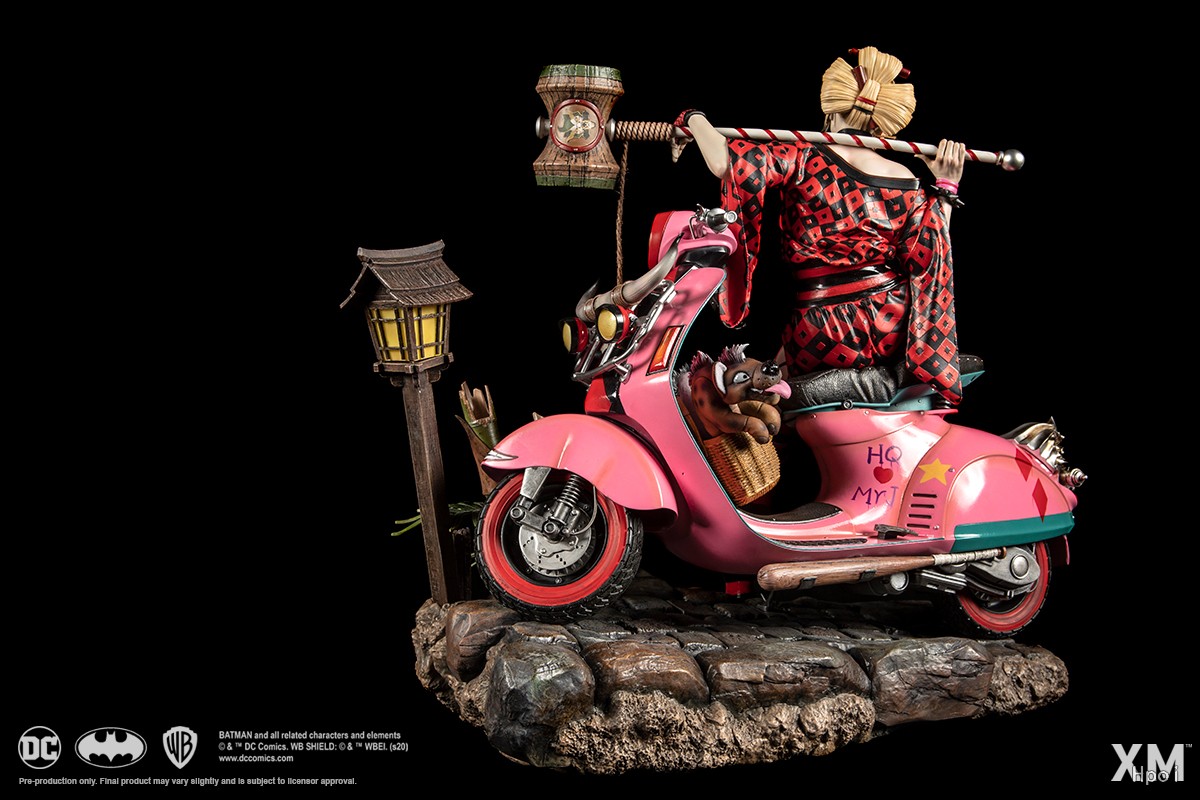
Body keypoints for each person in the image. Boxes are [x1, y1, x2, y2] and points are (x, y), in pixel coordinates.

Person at [678, 46, 969, 407]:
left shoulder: (804, 156)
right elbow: (932, 249)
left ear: (829, 111)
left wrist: (692, 119)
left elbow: (726, 162)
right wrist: (946, 185)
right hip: (889, 320)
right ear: (880, 125)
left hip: (821, 325)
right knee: (772, 375)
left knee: (762, 393)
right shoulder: (906, 178)